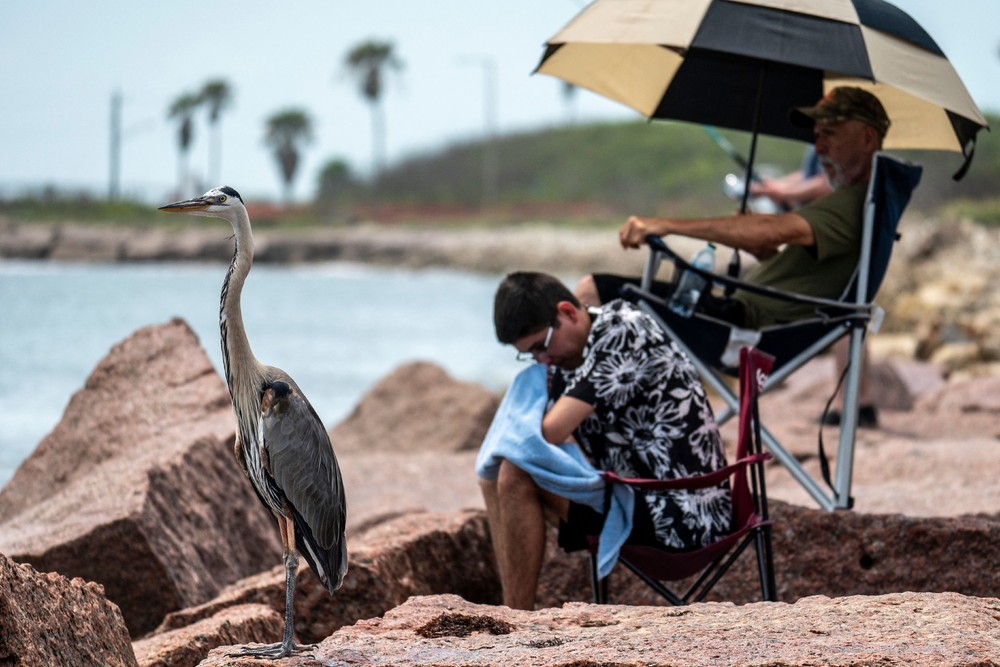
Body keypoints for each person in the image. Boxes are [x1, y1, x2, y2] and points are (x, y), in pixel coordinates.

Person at [574, 86, 889, 426]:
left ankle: (566, 430)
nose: (819, 147)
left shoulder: (851, 203)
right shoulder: (862, 204)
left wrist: (665, 224)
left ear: (867, 139)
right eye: (816, 136)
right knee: (597, 306)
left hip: (744, 331)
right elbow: (797, 269)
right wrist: (765, 253)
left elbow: (774, 228)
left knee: (594, 292)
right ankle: (593, 423)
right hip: (747, 319)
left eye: (829, 134)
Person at [481, 271, 731, 610]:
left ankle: (513, 621)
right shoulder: (572, 354)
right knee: (500, 472)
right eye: (530, 356)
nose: (543, 361)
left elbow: (550, 432)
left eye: (542, 346)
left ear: (568, 312)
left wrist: (535, 394)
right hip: (634, 497)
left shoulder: (625, 330)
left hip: (684, 511)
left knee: (515, 473)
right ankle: (512, 613)